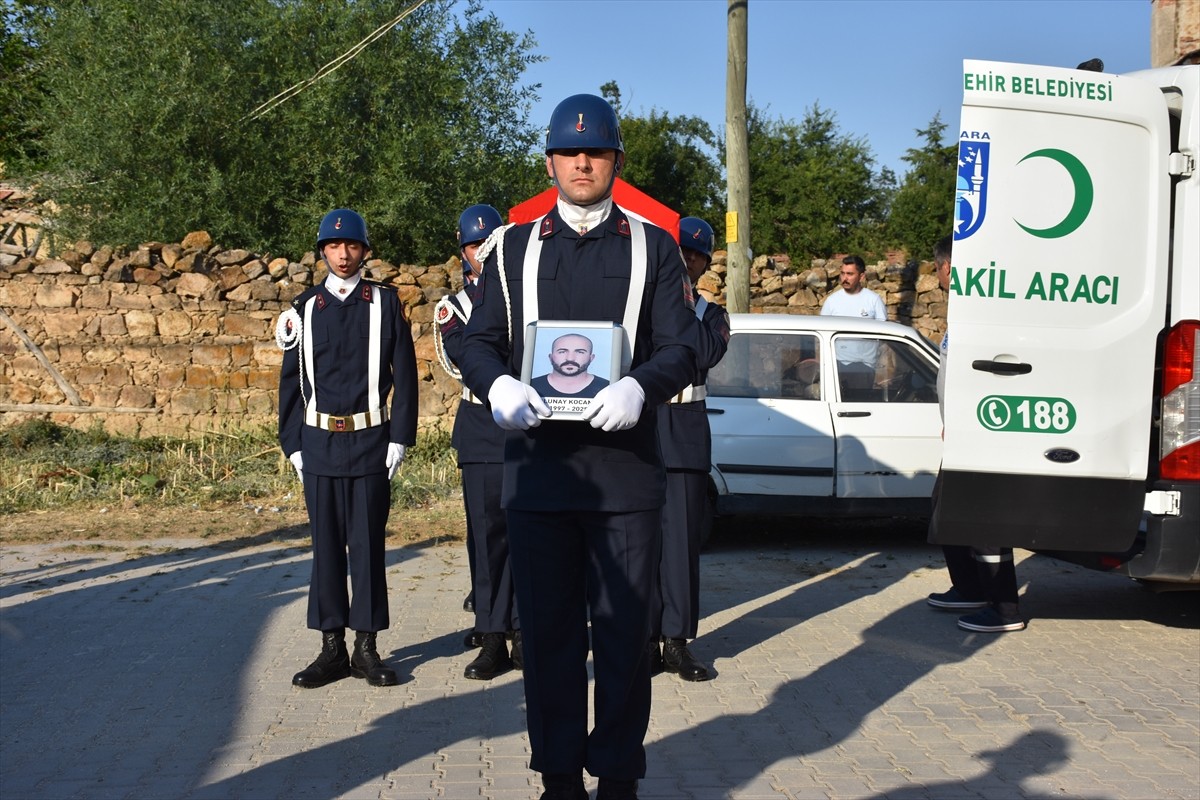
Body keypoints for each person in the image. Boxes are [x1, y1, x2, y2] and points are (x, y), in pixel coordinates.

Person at [457, 93, 698, 800]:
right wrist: (497, 385)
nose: (582, 162)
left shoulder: (653, 247)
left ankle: (618, 775)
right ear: (550, 162)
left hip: (625, 480)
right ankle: (558, 776)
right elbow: (477, 341)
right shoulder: (510, 249)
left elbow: (683, 346)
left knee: (625, 640)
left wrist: (642, 388)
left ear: (617, 161)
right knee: (551, 638)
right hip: (540, 476)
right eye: (569, 152)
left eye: (595, 152)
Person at [276, 208, 419, 688]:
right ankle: (331, 648)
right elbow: (290, 384)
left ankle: (367, 647)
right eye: (334, 247)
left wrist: (400, 437)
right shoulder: (302, 309)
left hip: (370, 442)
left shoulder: (385, 304)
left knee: (367, 548)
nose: (343, 254)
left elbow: (405, 376)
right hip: (318, 444)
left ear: (364, 250)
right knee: (326, 552)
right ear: (322, 252)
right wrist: (292, 444)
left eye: (352, 246)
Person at [433, 203, 521, 680]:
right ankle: (491, 636)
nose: (483, 255)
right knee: (487, 538)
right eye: (474, 247)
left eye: (491, 247)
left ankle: (525, 630)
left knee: (529, 533)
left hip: (528, 426)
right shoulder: (455, 307)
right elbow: (465, 356)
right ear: (462, 250)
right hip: (483, 427)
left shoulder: (524, 294)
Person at [925, 234, 1024, 632]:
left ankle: (1005, 609)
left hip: (981, 432)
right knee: (944, 510)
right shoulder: (961, 311)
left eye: (937, 269)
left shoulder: (981, 311)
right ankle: (969, 587)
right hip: (962, 433)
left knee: (985, 522)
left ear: (948, 267)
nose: (937, 276)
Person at [650, 216, 730, 682]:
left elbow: (702, 353)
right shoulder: (646, 307)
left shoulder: (712, 316)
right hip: (642, 428)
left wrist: (676, 304)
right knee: (638, 543)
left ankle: (677, 642)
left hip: (683, 430)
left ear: (703, 265)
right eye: (679, 253)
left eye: (694, 257)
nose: (685, 261)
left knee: (680, 543)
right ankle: (642, 637)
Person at [820, 255, 887, 399]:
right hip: (837, 366)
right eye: (843, 273)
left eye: (850, 274)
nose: (845, 278)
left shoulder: (873, 300)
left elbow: (884, 336)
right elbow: (820, 336)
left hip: (865, 368)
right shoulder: (832, 302)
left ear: (861, 276)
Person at [530, 333, 610, 398]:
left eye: (580, 352)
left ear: (591, 358)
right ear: (551, 357)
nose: (570, 359)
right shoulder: (530, 387)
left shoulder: (608, 388)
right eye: (562, 352)